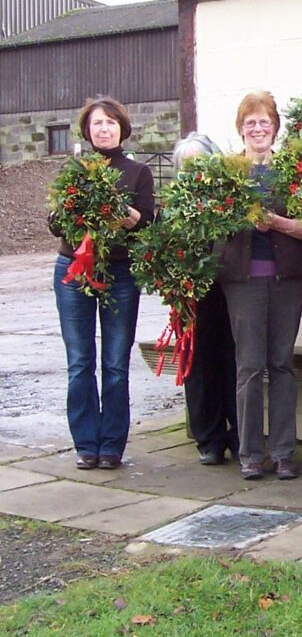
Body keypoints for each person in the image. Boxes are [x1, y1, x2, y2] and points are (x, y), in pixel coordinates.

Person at [51, 96, 154, 470]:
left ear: (122, 128)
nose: (104, 129)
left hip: (120, 273)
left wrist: (122, 213)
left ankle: (111, 444)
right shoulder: (74, 169)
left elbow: (146, 222)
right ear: (87, 130)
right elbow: (54, 224)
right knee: (80, 362)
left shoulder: (137, 172)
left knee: (115, 363)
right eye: (97, 124)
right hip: (74, 272)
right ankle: (85, 444)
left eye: (111, 123)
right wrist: (73, 209)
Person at [218, 91, 302, 481]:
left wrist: (277, 222)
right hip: (243, 281)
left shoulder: (291, 169)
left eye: (265, 121)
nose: (258, 128)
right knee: (250, 367)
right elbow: (213, 224)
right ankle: (251, 453)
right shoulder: (226, 171)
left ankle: (285, 452)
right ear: (241, 129)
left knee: (282, 365)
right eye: (250, 122)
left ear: (275, 127)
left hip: (285, 278)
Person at [171, 132, 238, 466]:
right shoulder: (173, 207)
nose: (195, 171)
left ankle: (240, 434)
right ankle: (209, 439)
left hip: (231, 290)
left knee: (234, 362)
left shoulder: (228, 197)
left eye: (201, 162)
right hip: (193, 296)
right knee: (200, 367)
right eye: (187, 165)